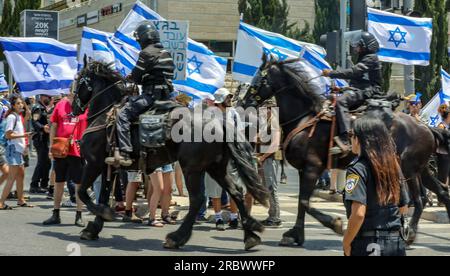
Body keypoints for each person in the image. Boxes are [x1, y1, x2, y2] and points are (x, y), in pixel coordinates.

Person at [107, 21, 175, 167]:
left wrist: (131, 77)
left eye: (139, 40)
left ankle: (125, 152)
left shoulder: (146, 53)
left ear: (144, 38)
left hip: (151, 97)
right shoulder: (167, 53)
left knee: (123, 115)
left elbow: (137, 77)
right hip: (168, 97)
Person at [343, 117, 409, 256]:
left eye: (352, 135)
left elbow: (359, 214)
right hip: (395, 242)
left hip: (369, 243)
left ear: (360, 139)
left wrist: (346, 242)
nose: (350, 139)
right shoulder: (393, 165)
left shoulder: (357, 169)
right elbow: (403, 206)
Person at [323, 32, 383, 155]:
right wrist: (342, 89)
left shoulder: (371, 58)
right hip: (360, 89)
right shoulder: (364, 58)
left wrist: (331, 73)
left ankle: (346, 139)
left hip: (369, 91)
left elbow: (354, 72)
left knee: (341, 101)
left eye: (358, 45)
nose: (356, 48)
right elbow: (358, 79)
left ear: (366, 46)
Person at [43, 93, 87, 227]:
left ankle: (79, 214)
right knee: (59, 181)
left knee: (79, 183)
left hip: (78, 150)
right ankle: (56, 213)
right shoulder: (61, 104)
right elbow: (54, 126)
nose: (72, 92)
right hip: (61, 149)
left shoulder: (86, 105)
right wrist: (51, 147)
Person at [0, 95, 33, 210]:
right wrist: (24, 135)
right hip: (13, 150)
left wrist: (24, 101)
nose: (21, 105)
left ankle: (20, 200)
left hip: (18, 150)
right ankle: (1, 202)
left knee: (21, 175)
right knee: (11, 177)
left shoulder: (18, 116)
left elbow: (28, 114)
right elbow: (8, 135)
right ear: (13, 106)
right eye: (18, 103)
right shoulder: (11, 117)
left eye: (21, 103)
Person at [256, 99, 282, 227]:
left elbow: (275, 145)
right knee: (268, 187)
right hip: (266, 158)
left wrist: (262, 157)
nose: (262, 111)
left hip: (271, 158)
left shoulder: (274, 123)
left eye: (265, 108)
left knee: (272, 188)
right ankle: (272, 215)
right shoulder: (268, 122)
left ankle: (275, 217)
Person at [30, 94, 52, 193]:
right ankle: (34, 184)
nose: (50, 99)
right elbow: (35, 122)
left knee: (47, 163)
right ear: (42, 97)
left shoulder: (44, 108)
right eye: (48, 97)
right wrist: (43, 127)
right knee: (42, 162)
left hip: (45, 139)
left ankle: (44, 184)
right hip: (40, 138)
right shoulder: (38, 108)